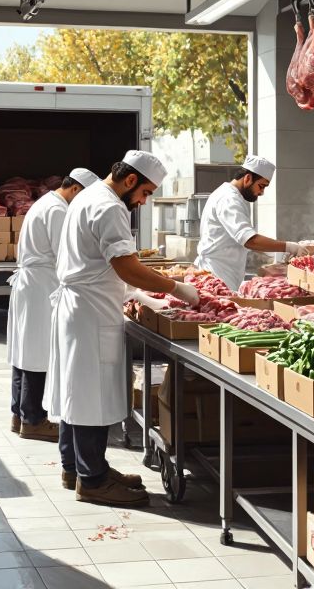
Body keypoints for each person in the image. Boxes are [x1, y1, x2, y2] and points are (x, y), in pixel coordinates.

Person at [45, 151, 201, 507]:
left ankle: (78, 467)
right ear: (130, 180)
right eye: (145, 193)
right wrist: (176, 288)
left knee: (77, 393)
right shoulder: (110, 206)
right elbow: (126, 267)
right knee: (89, 397)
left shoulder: (88, 196)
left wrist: (139, 294)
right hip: (89, 314)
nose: (144, 201)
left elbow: (99, 264)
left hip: (82, 307)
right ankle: (93, 480)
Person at [8, 168, 100, 442]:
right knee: (38, 353)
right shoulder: (59, 211)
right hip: (41, 285)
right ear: (74, 190)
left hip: (32, 284)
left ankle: (19, 413)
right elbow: (68, 253)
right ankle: (33, 419)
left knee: (24, 352)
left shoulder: (44, 203)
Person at [194, 155, 314, 292]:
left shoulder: (236, 198)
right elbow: (249, 240)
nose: (262, 192)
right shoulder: (229, 200)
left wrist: (272, 256)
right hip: (217, 274)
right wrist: (289, 247)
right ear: (247, 178)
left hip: (226, 273)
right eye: (261, 186)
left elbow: (242, 241)